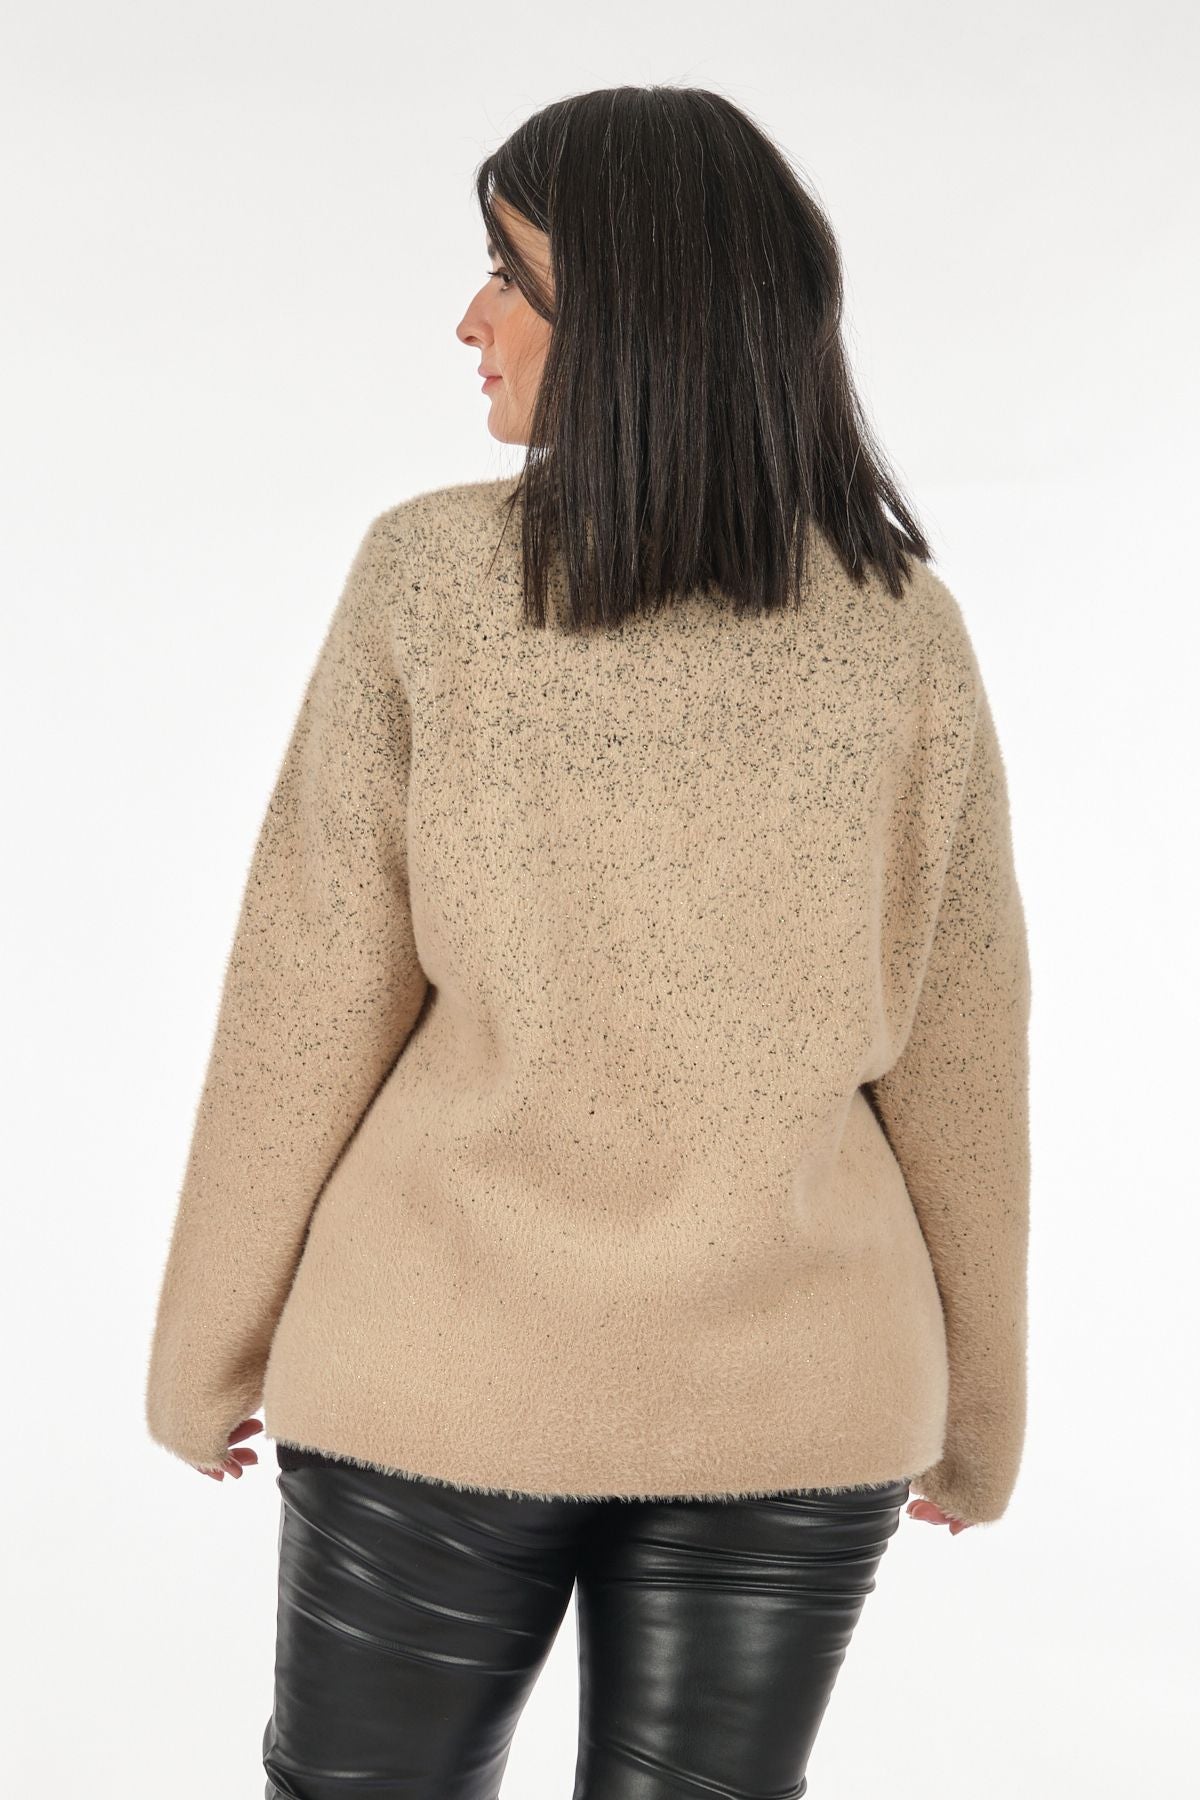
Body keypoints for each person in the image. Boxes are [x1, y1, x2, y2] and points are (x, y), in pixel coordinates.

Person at [145, 84, 1032, 1799]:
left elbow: (309, 994)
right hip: (801, 1391)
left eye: (507, 271)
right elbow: (961, 1045)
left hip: (432, 1373)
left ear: (627, 312)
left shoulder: (429, 579)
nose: (469, 317)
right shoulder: (902, 628)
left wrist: (205, 1349)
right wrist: (980, 1406)